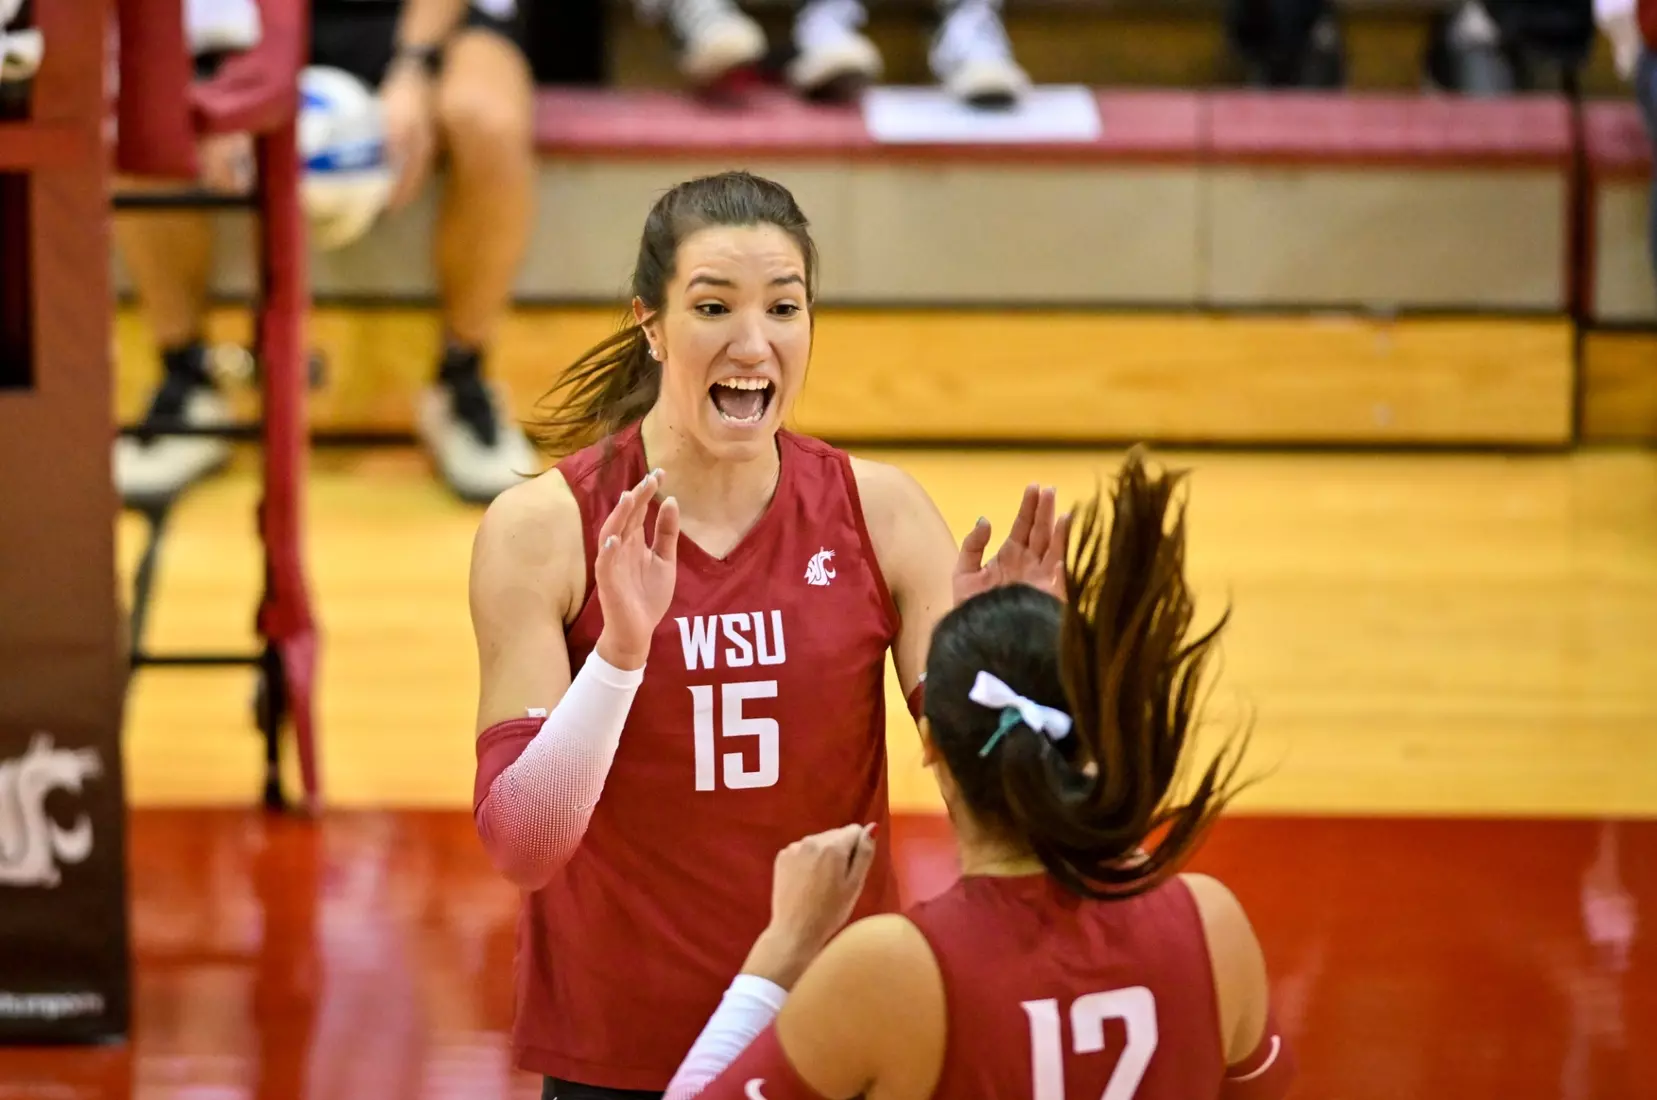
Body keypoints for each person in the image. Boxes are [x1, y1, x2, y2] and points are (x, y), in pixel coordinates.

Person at [467, 169, 1068, 1097]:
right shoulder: (543, 530)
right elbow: (523, 846)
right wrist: (621, 656)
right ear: (651, 324)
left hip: (837, 1032)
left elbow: (1003, 817)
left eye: (784, 308)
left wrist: (1027, 662)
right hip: (623, 1045)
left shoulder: (883, 514)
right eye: (713, 307)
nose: (754, 344)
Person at [657, 450, 1296, 1100]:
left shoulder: (891, 971)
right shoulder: (1210, 926)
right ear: (1088, 733)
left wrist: (781, 951)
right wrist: (1023, 651)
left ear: (930, 742)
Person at [115, 0, 537, 505]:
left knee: (486, 119)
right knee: (142, 107)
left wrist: (415, 65)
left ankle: (463, 378)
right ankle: (185, 377)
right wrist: (230, 75)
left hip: (425, 19)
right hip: (254, 18)